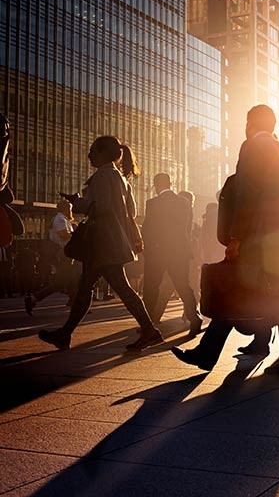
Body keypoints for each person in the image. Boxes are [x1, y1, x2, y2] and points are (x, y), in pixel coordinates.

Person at [171, 105, 279, 375]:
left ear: (250, 123)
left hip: (258, 236)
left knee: (236, 288)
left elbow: (247, 196)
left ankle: (209, 352)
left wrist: (236, 237)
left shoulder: (252, 147)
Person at [38, 136, 162, 351]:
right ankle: (65, 334)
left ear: (104, 154)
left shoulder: (103, 175)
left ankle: (149, 330)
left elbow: (101, 207)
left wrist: (77, 202)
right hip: (111, 241)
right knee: (86, 287)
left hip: (103, 242)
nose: (89, 155)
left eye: (93, 151)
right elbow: (130, 211)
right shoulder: (121, 178)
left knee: (117, 288)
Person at [141, 173, 203, 336]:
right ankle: (194, 317)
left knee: (152, 287)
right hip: (180, 251)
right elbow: (187, 229)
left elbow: (148, 229)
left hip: (159, 251)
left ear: (156, 185)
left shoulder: (153, 203)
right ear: (171, 184)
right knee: (184, 286)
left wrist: (148, 250)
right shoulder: (184, 202)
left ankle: (148, 323)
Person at [25, 200, 76, 314]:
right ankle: (34, 298)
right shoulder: (60, 219)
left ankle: (76, 302)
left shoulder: (62, 219)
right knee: (65, 281)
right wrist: (76, 235)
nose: (71, 211)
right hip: (62, 255)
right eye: (70, 208)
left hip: (65, 255)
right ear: (66, 209)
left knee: (69, 280)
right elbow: (64, 235)